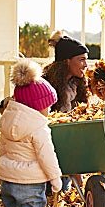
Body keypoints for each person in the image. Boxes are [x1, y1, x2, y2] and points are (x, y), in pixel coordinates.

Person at [0, 59, 62, 207]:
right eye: (48, 106)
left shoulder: (6, 119)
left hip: (8, 178)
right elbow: (47, 156)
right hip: (30, 181)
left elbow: (3, 148)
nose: (49, 110)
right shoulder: (39, 127)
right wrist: (56, 179)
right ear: (38, 106)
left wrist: (1, 171)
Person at [42, 30, 89, 193]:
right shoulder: (46, 85)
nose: (85, 65)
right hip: (47, 144)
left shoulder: (77, 85)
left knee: (62, 188)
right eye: (81, 60)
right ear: (67, 61)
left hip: (69, 140)